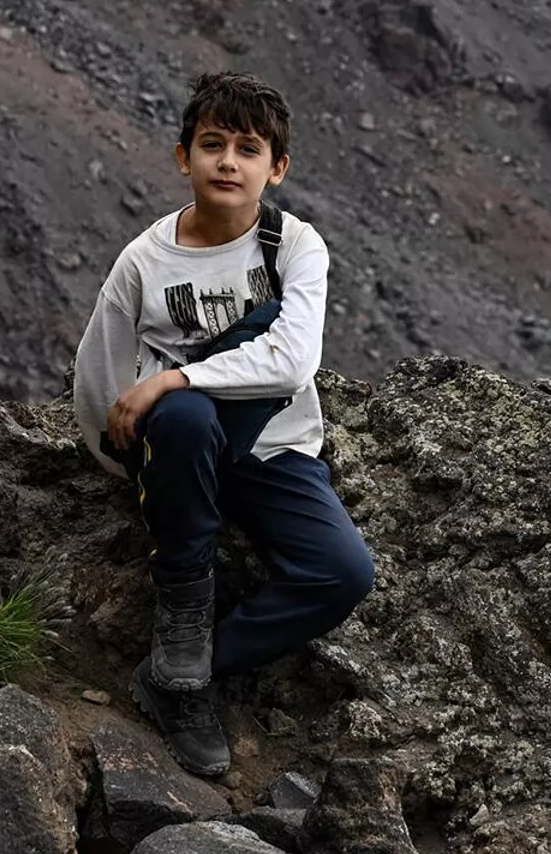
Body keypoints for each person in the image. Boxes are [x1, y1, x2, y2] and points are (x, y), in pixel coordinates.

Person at [72, 70, 374, 777]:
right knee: (181, 418)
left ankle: (185, 672)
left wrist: (176, 376)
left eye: (248, 149)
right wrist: (127, 466)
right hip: (180, 451)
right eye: (212, 145)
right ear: (185, 157)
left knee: (342, 573)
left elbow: (292, 363)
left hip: (275, 449)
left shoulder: (294, 246)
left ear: (277, 168)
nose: (228, 162)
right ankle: (182, 621)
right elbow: (99, 376)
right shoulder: (146, 260)